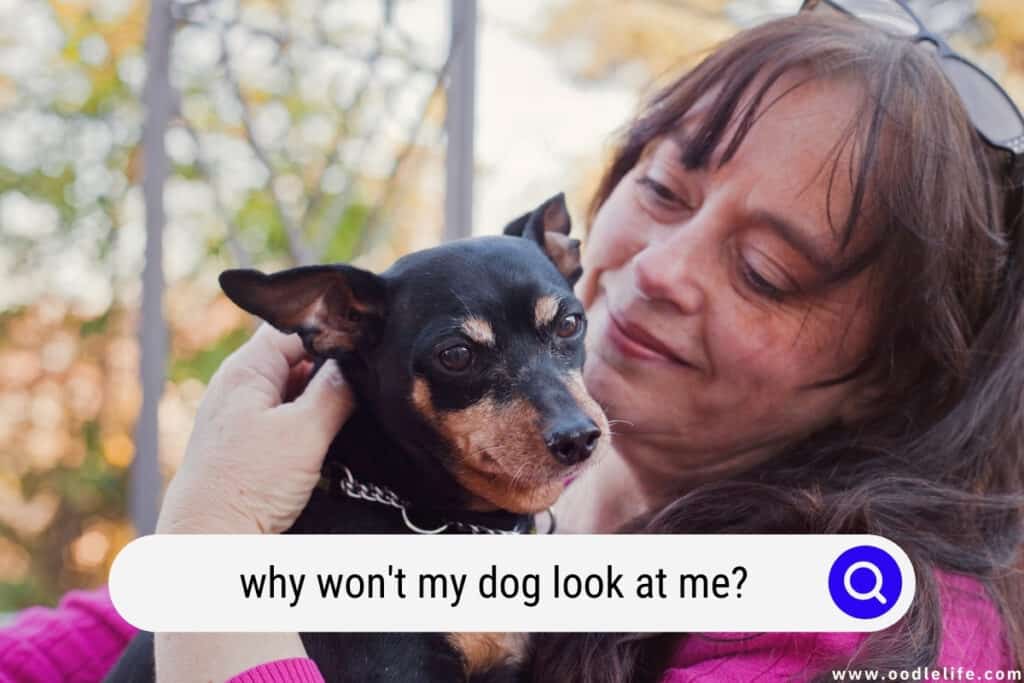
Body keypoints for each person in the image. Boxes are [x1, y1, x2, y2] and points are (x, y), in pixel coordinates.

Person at [3, 2, 1024, 681]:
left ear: (895, 373)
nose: (659, 264)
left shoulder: (898, 635)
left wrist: (217, 553)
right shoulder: (474, 504)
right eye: (662, 187)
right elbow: (91, 644)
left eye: (768, 271)